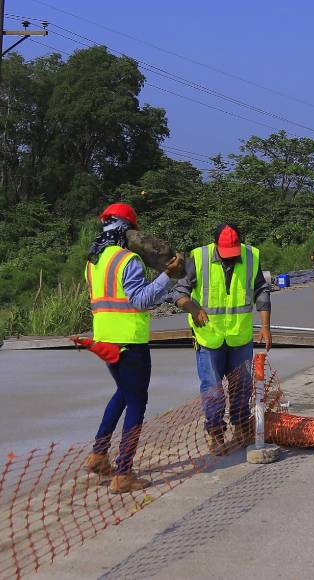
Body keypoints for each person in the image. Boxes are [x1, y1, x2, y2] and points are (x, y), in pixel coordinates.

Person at [83, 203, 185, 494]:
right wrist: (167, 276)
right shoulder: (128, 260)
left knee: (124, 393)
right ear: (128, 231)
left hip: (104, 339)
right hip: (129, 341)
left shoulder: (93, 261)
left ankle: (98, 455)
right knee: (137, 401)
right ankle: (123, 473)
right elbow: (140, 300)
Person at [173, 224, 272, 456]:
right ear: (216, 245)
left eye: (234, 254)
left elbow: (261, 290)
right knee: (213, 390)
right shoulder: (199, 258)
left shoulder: (250, 256)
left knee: (242, 387)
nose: (231, 258)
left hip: (239, 336)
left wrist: (266, 326)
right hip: (209, 337)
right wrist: (193, 308)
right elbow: (178, 293)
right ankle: (215, 433)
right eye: (226, 254)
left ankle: (241, 427)